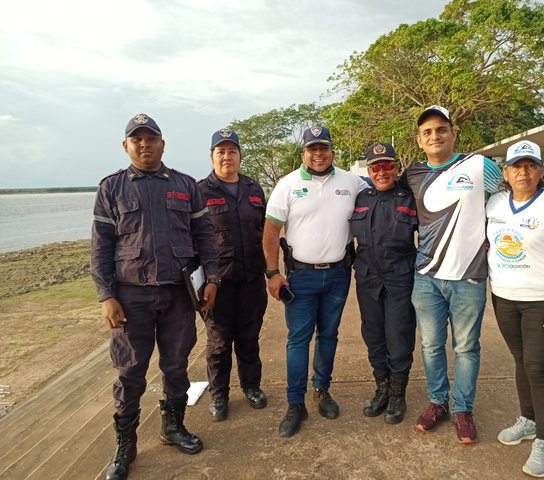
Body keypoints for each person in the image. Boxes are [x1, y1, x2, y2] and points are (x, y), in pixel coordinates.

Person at [91, 114, 220, 480]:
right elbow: (100, 247)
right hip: (131, 297)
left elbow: (206, 237)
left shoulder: (185, 185)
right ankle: (125, 444)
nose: (144, 144)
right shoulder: (112, 188)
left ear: (163, 144)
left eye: (151, 138)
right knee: (131, 371)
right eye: (137, 139)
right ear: (126, 146)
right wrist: (106, 296)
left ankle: (173, 427)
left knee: (176, 366)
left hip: (179, 294)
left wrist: (212, 278)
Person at [400, 105, 503, 444]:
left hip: (469, 276)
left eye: (441, 129)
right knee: (430, 345)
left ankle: (462, 409)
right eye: (428, 132)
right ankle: (437, 402)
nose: (435, 136)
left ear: (453, 132)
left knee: (466, 347)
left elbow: (515, 193)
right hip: (426, 275)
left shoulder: (479, 165)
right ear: (419, 140)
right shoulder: (412, 174)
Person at [263, 126, 369, 437]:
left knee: (329, 336)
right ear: (303, 154)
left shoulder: (352, 183)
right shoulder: (288, 185)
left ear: (332, 152)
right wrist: (272, 273)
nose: (318, 154)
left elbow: (381, 191)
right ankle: (295, 403)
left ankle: (322, 390)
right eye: (312, 149)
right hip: (300, 277)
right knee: (298, 340)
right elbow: (270, 233)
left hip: (338, 274)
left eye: (324, 148)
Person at [487, 140, 544, 478]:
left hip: (542, 300)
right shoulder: (494, 203)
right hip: (503, 297)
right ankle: (527, 420)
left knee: (539, 368)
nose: (523, 172)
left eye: (530, 165)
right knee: (520, 361)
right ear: (506, 172)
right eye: (516, 166)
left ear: (542, 171)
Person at [197, 128, 268, 421]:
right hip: (218, 283)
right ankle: (219, 395)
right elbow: (194, 239)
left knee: (249, 339)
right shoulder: (199, 192)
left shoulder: (254, 189)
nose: (227, 157)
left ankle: (251, 387)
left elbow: (265, 232)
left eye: (232, 151)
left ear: (240, 155)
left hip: (252, 279)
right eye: (221, 152)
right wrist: (200, 283)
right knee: (219, 343)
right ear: (212, 156)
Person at [350, 142, 418, 424]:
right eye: (376, 167)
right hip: (367, 279)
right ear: (369, 170)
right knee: (374, 336)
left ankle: (398, 394)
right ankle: (382, 388)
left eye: (387, 165)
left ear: (396, 168)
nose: (382, 172)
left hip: (400, 279)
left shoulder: (411, 198)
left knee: (399, 337)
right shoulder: (360, 198)